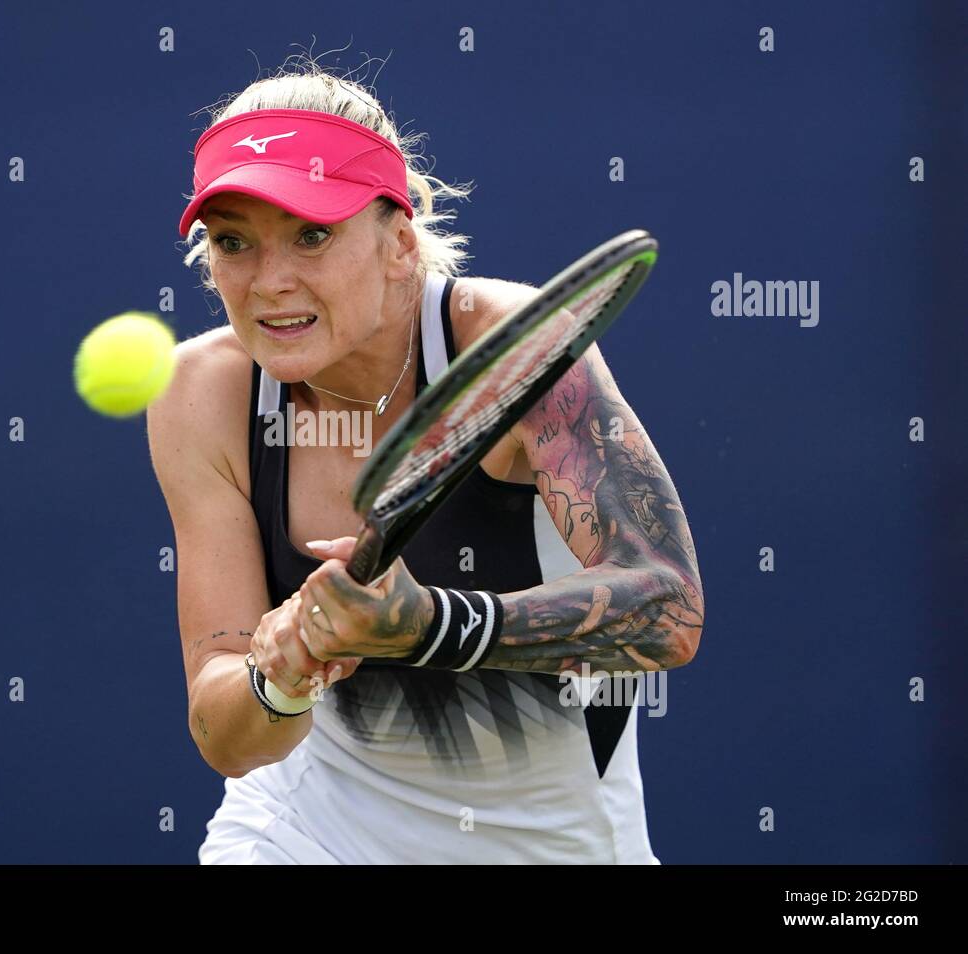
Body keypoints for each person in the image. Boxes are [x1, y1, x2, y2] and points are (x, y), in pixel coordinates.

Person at [146, 62, 705, 864]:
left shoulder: (506, 349)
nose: (270, 282)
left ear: (400, 242)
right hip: (301, 834)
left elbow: (669, 606)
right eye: (233, 242)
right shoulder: (203, 395)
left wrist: (430, 625)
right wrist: (281, 673)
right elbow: (226, 738)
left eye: (313, 234)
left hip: (549, 846)